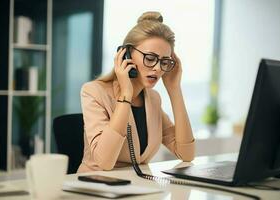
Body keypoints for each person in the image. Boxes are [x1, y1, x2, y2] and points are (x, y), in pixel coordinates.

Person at [77, 11, 195, 172]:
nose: (158, 68)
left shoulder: (153, 99)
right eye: (150, 58)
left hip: (139, 189)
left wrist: (175, 90)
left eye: (164, 62)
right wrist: (125, 95)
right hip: (96, 188)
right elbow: (104, 162)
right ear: (126, 54)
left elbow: (187, 154)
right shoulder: (94, 92)